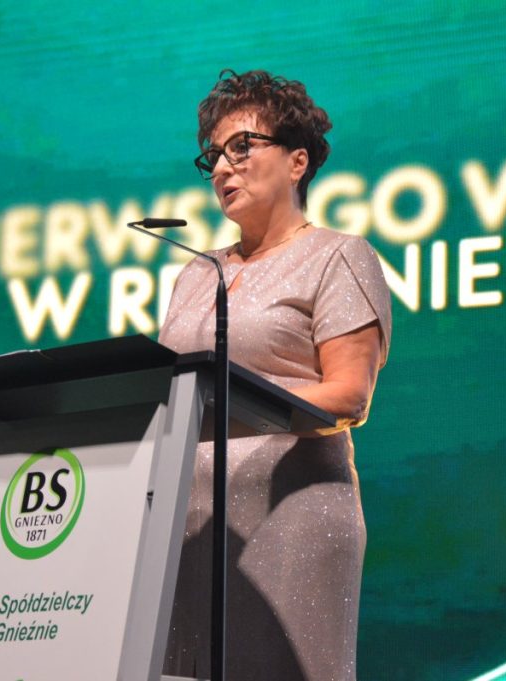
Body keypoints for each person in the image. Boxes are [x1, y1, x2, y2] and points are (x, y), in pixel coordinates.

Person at [159, 69, 392, 681]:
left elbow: (349, 394)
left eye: (242, 147)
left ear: (297, 162)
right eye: (214, 155)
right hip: (185, 527)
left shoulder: (338, 255)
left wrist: (224, 407)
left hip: (289, 519)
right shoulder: (195, 273)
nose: (222, 168)